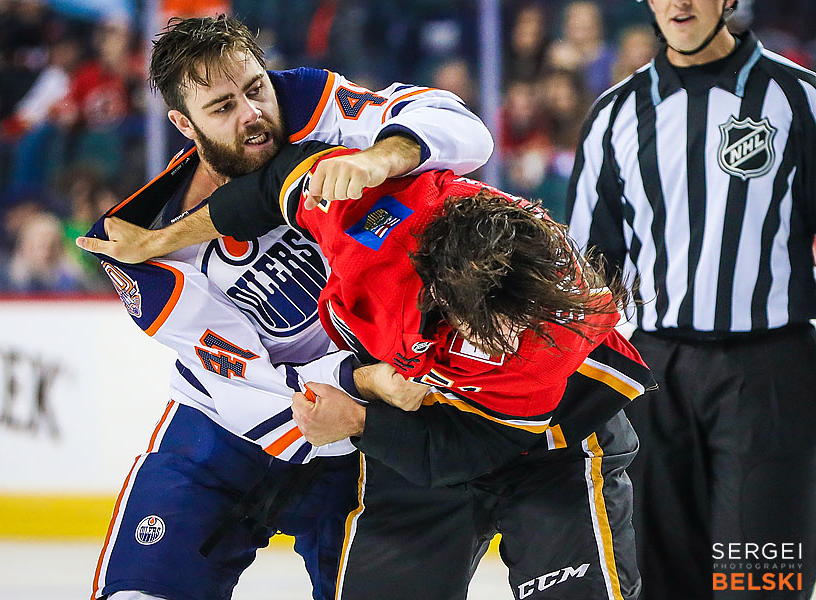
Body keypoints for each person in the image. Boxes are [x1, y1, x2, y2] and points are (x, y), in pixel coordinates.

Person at [87, 138, 656, 599]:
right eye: (483, 326)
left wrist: (362, 421)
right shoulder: (377, 231)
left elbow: (475, 447)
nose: (499, 343)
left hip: (551, 445)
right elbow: (272, 184)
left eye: (511, 325)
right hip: (416, 451)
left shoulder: (553, 333)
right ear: (434, 287)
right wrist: (162, 239)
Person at [75, 14, 493, 600]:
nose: (251, 114)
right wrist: (363, 380)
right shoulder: (142, 243)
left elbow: (465, 130)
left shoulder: (315, 107)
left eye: (255, 88)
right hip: (224, 433)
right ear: (182, 124)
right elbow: (248, 382)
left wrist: (380, 158)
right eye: (221, 107)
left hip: (368, 441)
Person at [567, 1, 816, 598]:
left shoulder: (799, 100)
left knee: (760, 580)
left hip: (770, 375)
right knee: (661, 577)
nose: (680, 3)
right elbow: (584, 272)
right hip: (652, 378)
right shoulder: (614, 116)